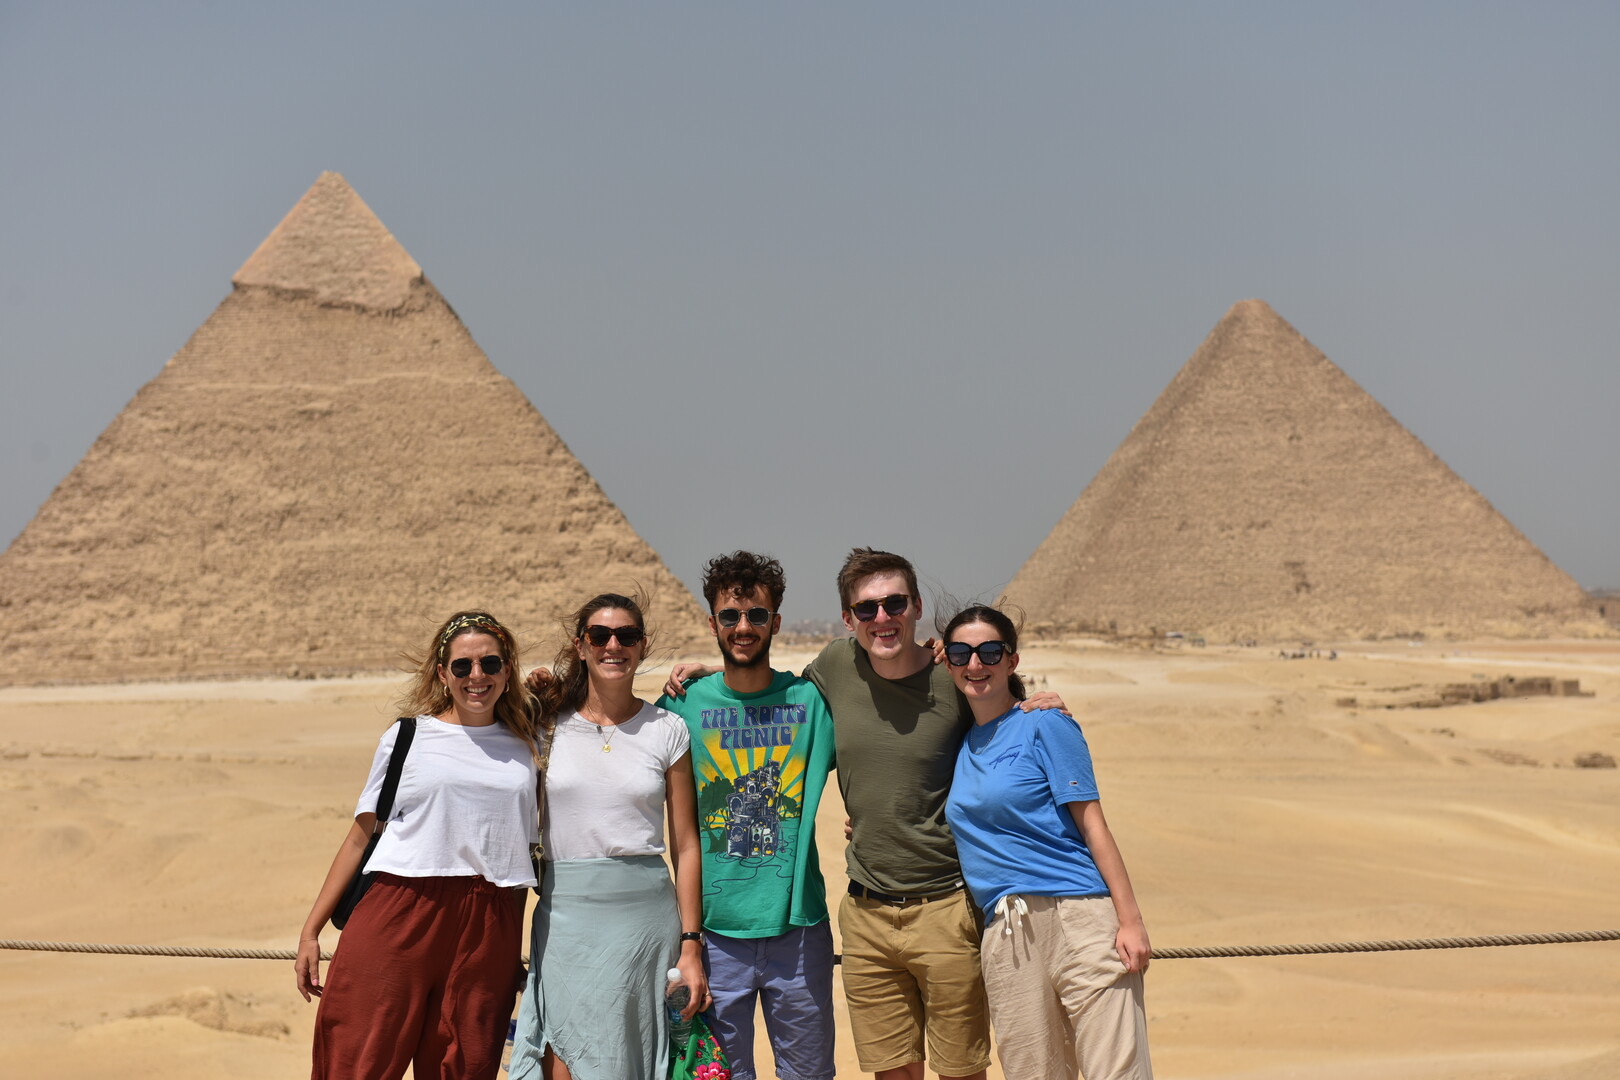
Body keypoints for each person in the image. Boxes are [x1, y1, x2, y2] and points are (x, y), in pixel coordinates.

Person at [295, 610, 541, 1080]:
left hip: (492, 921)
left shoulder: (530, 742)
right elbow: (359, 837)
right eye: (462, 666)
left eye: (490, 664)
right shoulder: (407, 737)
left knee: (466, 1064)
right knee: (359, 1061)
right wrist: (312, 931)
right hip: (400, 911)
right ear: (441, 672)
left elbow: (599, 693)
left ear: (508, 670)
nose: (477, 676)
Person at [942, 604, 1153, 1080]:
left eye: (989, 651)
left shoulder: (1045, 724)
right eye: (961, 653)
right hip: (1008, 932)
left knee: (1115, 1071)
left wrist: (1131, 921)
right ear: (949, 662)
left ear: (1012, 661)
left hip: (1080, 917)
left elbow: (1093, 824)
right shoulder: (959, 744)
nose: (975, 664)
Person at [509, 593, 709, 1080]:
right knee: (566, 1059)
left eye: (627, 636)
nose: (613, 645)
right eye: (600, 636)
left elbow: (685, 845)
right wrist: (535, 691)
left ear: (643, 647)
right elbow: (473, 697)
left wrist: (690, 946)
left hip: (646, 926)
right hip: (566, 923)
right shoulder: (543, 726)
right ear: (581, 646)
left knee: (637, 1060)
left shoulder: (668, 729)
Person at [655, 551, 837, 1080]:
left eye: (756, 616)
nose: (743, 627)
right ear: (712, 623)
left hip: (798, 931)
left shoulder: (813, 704)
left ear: (775, 622)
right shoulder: (681, 708)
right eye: (730, 617)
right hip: (711, 935)